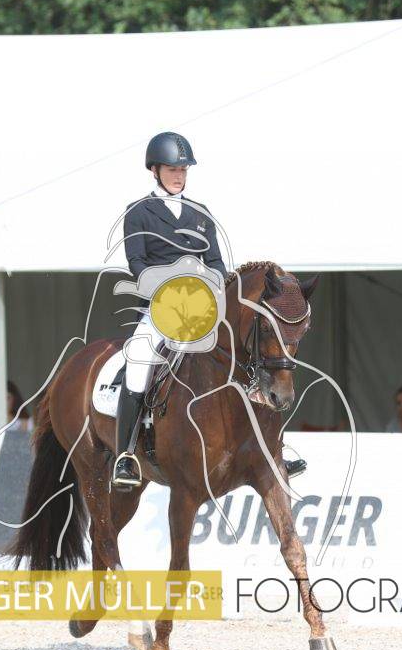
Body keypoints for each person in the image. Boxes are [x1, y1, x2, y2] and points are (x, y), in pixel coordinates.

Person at [114, 132, 304, 489]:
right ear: (155, 170)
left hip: (202, 309)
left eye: (183, 170)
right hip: (160, 310)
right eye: (172, 169)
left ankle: (275, 449)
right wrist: (172, 288)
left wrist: (211, 283)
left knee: (250, 355)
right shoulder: (139, 213)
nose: (179, 176)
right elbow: (137, 264)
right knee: (138, 361)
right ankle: (126, 454)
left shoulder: (200, 214)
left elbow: (216, 263)